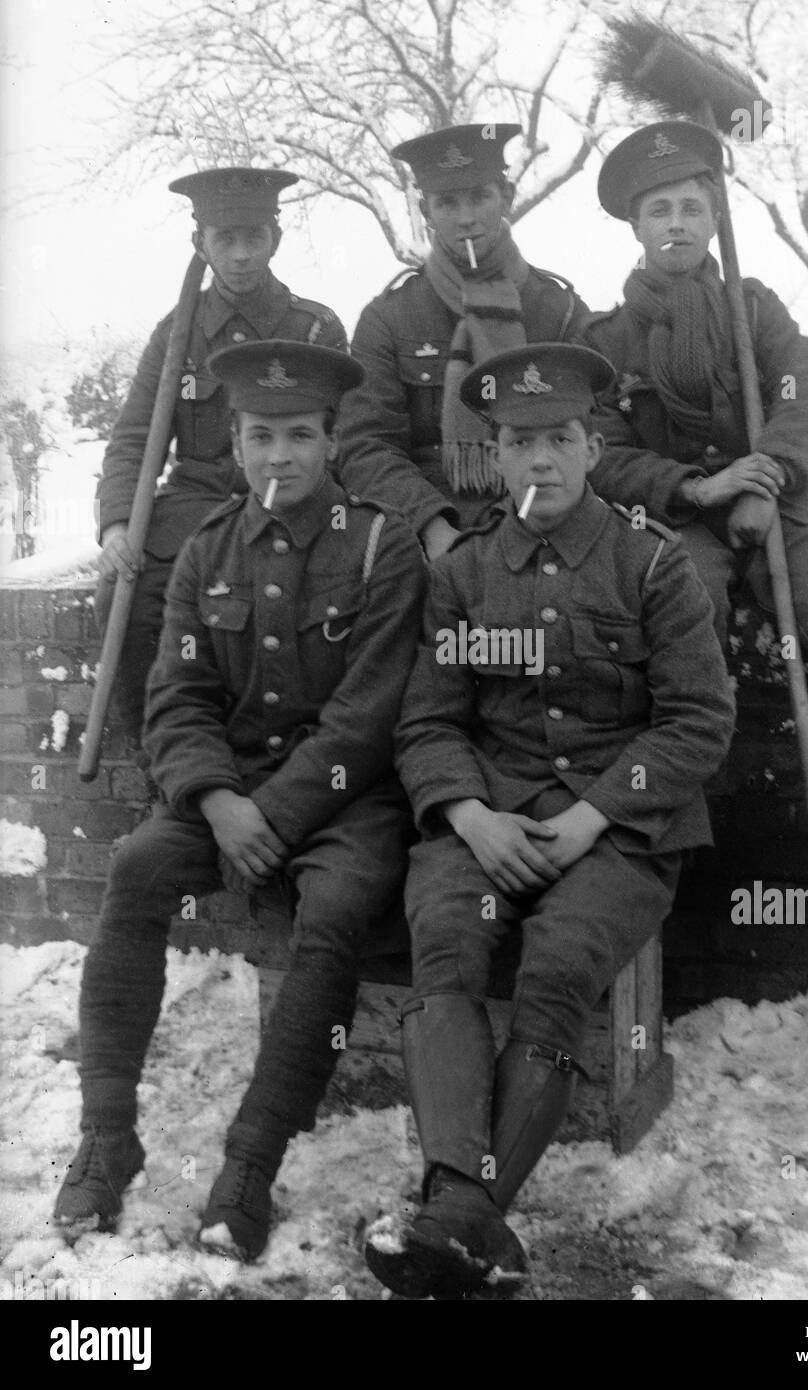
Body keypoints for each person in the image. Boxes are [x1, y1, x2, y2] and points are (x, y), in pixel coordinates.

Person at [363, 343, 735, 1299]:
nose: (542, 462)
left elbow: (698, 719)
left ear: (591, 445)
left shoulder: (652, 564)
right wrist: (469, 814)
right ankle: (470, 1219)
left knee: (561, 960)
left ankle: (454, 1212)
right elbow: (430, 719)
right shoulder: (463, 573)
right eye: (521, 443)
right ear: (494, 458)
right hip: (487, 813)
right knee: (444, 937)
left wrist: (592, 818)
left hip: (624, 828)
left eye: (560, 440)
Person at [54, 342, 426, 1262]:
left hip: (348, 803)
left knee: (334, 909)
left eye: (301, 435)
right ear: (235, 438)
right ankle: (107, 1135)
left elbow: (369, 714)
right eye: (261, 435)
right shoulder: (208, 547)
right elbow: (174, 699)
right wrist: (218, 800)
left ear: (332, 441)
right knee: (137, 870)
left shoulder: (384, 543)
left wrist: (278, 813)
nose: (280, 457)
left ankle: (250, 1164)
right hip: (227, 794)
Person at [580, 122, 808, 917]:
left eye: (693, 208)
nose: (677, 224)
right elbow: (603, 451)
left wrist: (764, 476)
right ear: (634, 226)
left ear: (714, 221)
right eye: (660, 209)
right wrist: (697, 489)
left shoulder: (753, 308)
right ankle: (658, 838)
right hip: (677, 515)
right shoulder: (604, 338)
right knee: (677, 620)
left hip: (783, 505)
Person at [95, 167, 347, 750]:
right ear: (199, 243)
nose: (239, 255)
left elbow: (346, 435)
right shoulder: (176, 336)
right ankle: (161, 769)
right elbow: (134, 437)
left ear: (275, 239)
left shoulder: (314, 327)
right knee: (125, 601)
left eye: (253, 238)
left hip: (294, 500)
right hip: (196, 507)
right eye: (223, 240)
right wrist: (114, 527)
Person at [335, 123, 591, 560]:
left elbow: (592, 433)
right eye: (447, 203)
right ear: (425, 211)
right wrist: (432, 526)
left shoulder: (559, 310)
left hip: (549, 516)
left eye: (480, 197)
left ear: (505, 199)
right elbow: (366, 446)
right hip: (428, 520)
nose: (466, 217)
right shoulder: (389, 317)